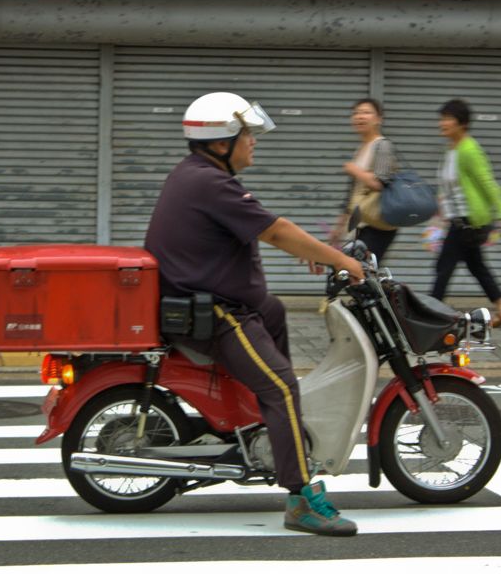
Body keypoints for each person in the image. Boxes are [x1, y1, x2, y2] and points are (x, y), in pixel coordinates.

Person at [144, 92, 364, 537]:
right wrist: (342, 260)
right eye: (248, 134)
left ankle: (264, 428)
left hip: (212, 301)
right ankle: (302, 498)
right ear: (221, 141)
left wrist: (318, 251)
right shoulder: (209, 182)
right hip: (211, 312)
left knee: (274, 310)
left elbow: (265, 227)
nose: (254, 142)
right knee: (281, 385)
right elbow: (277, 231)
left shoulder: (201, 175)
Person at [429, 99, 501, 327]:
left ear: (463, 123)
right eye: (442, 118)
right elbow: (450, 184)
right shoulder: (451, 150)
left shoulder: (469, 149)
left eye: (448, 118)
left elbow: (487, 182)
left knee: (444, 266)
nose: (443, 123)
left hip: (468, 220)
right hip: (458, 218)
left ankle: (429, 313)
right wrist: (440, 203)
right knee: (476, 266)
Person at [331, 98, 399, 264]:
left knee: (362, 275)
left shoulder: (382, 146)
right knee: (360, 276)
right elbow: (352, 194)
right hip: (361, 223)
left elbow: (380, 183)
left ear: (378, 119)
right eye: (356, 113)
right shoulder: (361, 149)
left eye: (366, 112)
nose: (360, 117)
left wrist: (354, 170)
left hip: (378, 225)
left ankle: (397, 290)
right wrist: (339, 227)